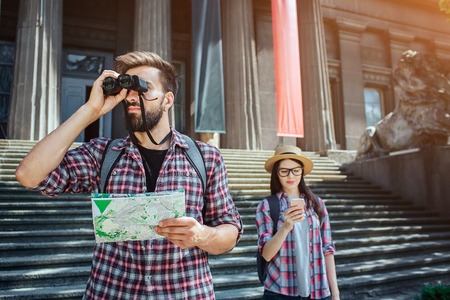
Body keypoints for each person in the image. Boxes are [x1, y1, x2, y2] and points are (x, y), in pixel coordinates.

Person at [15, 51, 243, 299]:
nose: (133, 96)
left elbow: (230, 232)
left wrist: (203, 235)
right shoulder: (103, 154)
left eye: (143, 88)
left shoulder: (206, 157)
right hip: (112, 292)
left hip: (185, 293)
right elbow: (29, 175)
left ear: (168, 100)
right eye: (128, 89)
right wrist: (90, 110)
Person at [256, 145, 339, 300]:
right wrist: (285, 228)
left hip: (318, 290)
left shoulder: (317, 204)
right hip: (280, 292)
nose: (290, 175)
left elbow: (327, 249)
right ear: (276, 173)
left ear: (302, 171)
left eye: (296, 170)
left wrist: (335, 293)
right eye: (284, 170)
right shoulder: (267, 206)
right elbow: (266, 254)